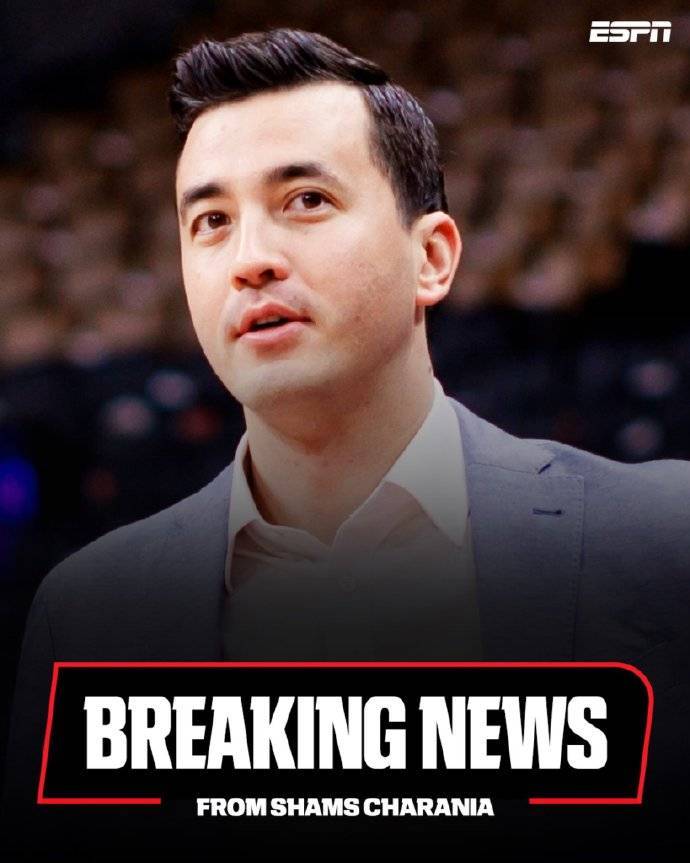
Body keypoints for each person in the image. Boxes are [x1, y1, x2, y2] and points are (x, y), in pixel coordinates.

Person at [4, 28, 689, 861]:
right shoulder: (87, 614)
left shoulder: (663, 539)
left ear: (431, 257)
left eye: (305, 201)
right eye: (212, 221)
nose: (251, 259)